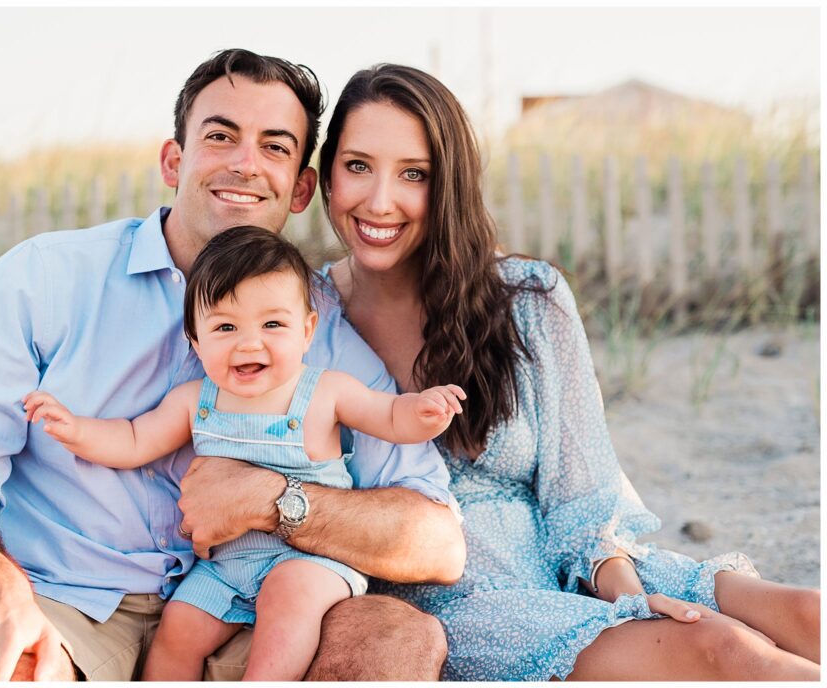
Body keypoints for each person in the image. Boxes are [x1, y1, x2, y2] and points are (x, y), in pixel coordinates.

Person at [0, 50, 465, 682]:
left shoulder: (316, 328)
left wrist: (276, 501)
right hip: (67, 602)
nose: (245, 163)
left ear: (301, 187)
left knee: (394, 634)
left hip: (252, 609)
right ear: (174, 160)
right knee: (1, 664)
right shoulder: (45, 279)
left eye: (275, 147)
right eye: (220, 136)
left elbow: (437, 540)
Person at [316, 63, 821, 681]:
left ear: (448, 185)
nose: (379, 200)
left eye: (413, 174)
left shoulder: (528, 297)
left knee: (809, 615)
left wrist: (628, 600)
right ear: (326, 173)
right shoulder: (300, 319)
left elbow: (581, 494)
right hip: (458, 602)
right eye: (358, 166)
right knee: (721, 652)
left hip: (574, 557)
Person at [23, 226, 466, 680]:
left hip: (309, 561)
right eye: (225, 327)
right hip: (226, 567)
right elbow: (134, 439)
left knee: (287, 599)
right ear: (196, 341)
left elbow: (389, 416)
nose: (249, 342)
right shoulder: (196, 399)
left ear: (307, 330)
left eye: (273, 324)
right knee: (179, 627)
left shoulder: (325, 391)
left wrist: (424, 411)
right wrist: (74, 429)